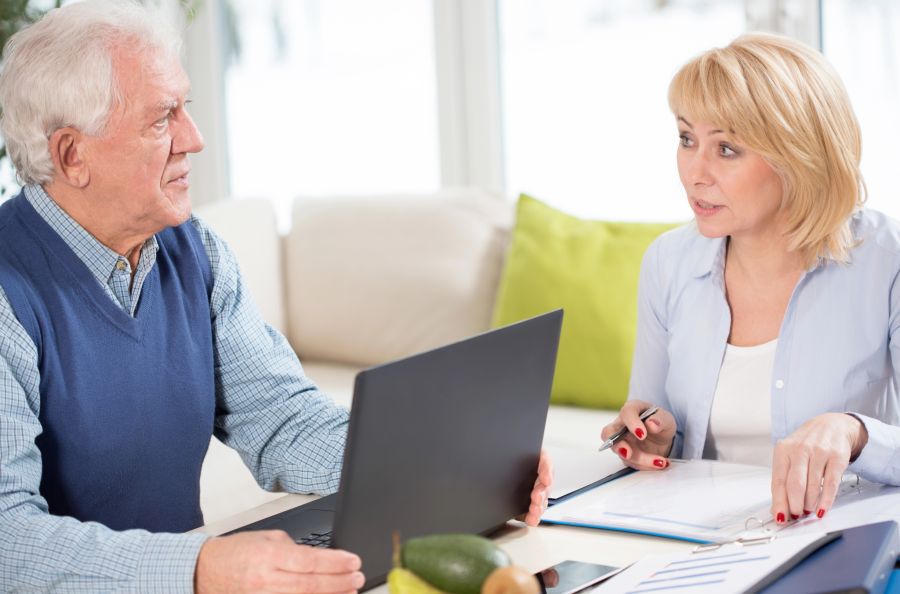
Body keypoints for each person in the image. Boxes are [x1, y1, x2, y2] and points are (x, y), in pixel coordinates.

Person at [0, 1, 551, 591]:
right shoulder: (10, 292)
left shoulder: (195, 252)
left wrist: (447, 460)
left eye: (186, 108)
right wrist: (200, 569)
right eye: (162, 119)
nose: (195, 138)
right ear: (71, 155)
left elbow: (282, 420)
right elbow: (7, 539)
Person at [601, 32, 900, 526]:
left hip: (840, 540)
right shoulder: (668, 263)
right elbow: (653, 427)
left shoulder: (887, 262)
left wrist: (854, 432)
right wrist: (651, 436)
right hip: (695, 541)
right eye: (686, 139)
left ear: (799, 154)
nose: (695, 173)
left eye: (727, 149)